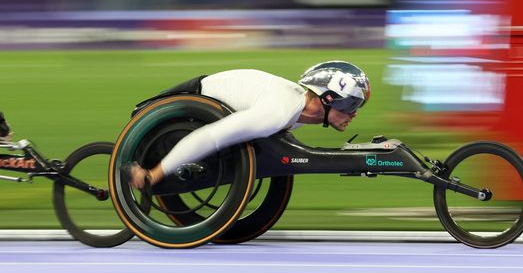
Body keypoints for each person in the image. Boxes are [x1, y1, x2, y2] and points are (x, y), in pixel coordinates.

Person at [127, 60, 370, 188]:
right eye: (350, 105)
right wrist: (154, 174)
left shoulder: (298, 112)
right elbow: (210, 137)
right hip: (188, 103)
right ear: (327, 98)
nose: (354, 113)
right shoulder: (277, 112)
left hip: (213, 97)